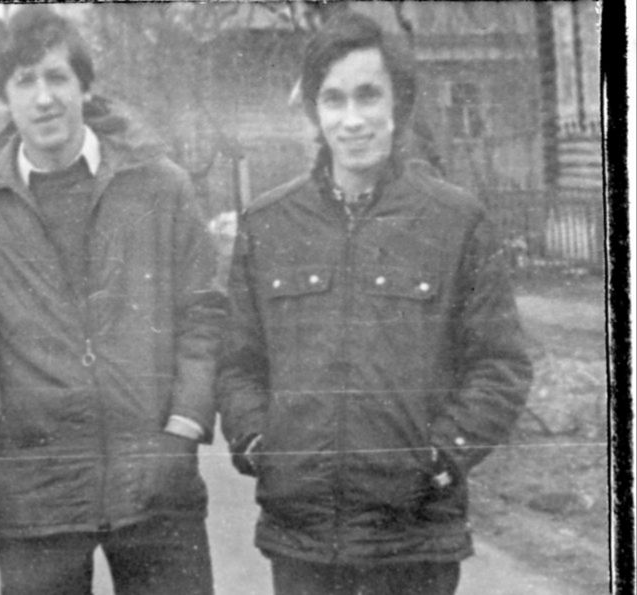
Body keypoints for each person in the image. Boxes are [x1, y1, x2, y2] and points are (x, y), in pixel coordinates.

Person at [216, 12, 532, 595]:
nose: (352, 119)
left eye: (368, 96)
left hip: (416, 540)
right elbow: (237, 363)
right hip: (302, 541)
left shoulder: (456, 222)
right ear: (315, 112)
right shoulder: (267, 224)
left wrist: (441, 457)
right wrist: (260, 444)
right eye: (333, 99)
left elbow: (500, 364)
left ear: (398, 105)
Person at [0, 6, 226, 595]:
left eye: (58, 77)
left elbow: (204, 314)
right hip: (36, 499)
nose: (44, 98)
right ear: (3, 97)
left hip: (156, 482)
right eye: (25, 81)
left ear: (85, 86)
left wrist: (183, 428)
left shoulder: (160, 185)